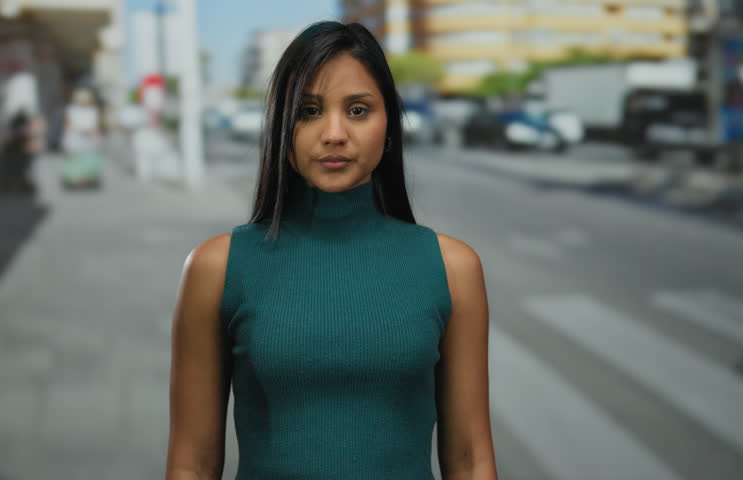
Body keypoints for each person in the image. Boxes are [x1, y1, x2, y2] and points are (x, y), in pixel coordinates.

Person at [166, 21, 497, 480]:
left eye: (358, 109)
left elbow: (470, 459)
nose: (335, 133)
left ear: (388, 126)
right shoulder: (217, 268)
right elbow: (192, 464)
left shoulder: (453, 268)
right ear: (282, 125)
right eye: (308, 111)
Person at [0, 111, 36, 195]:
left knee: (17, 169)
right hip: (13, 152)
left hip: (16, 152)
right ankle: (9, 184)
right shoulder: (17, 130)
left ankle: (12, 184)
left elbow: (26, 140)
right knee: (14, 169)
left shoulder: (18, 129)